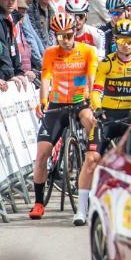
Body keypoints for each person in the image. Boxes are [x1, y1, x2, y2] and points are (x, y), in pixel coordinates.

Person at [77, 19, 131, 224]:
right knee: (91, 158)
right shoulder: (107, 63)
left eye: (129, 40)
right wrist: (98, 107)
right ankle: (81, 209)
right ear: (116, 40)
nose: (125, 45)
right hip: (107, 116)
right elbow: (96, 91)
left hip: (130, 116)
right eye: (121, 39)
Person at [32, 12, 100, 223]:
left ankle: (92, 155)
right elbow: (46, 78)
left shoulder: (88, 50)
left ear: (75, 33)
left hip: (81, 102)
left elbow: (91, 78)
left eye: (69, 35)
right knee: (42, 154)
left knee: (90, 120)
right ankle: (39, 202)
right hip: (57, 104)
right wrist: (43, 101)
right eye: (61, 36)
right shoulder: (51, 53)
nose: (66, 40)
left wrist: (92, 99)